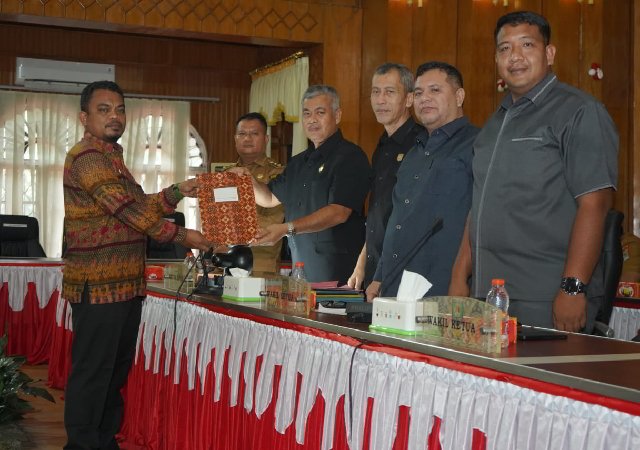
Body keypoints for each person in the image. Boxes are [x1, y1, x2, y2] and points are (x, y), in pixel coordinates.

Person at [62, 80, 211, 449]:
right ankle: (82, 444)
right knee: (94, 374)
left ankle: (103, 441)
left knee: (113, 373)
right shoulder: (88, 157)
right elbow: (127, 210)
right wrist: (183, 236)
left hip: (125, 285)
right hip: (98, 287)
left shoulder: (113, 158)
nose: (114, 116)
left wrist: (177, 191)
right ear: (84, 117)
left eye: (120, 109)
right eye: (103, 109)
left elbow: (139, 206)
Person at [449, 11, 618, 332]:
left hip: (546, 296)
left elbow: (595, 204)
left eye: (527, 45)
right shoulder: (493, 124)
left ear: (549, 53)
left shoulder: (579, 111)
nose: (515, 56)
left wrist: (573, 288)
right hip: (489, 296)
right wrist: (459, 277)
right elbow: (479, 206)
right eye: (505, 48)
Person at [229, 85, 371, 284]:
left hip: (337, 273)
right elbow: (269, 197)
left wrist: (287, 228)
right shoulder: (298, 162)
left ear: (337, 115)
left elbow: (339, 212)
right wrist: (247, 181)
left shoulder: (350, 157)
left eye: (320, 112)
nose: (312, 119)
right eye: (306, 113)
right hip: (301, 272)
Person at [366, 62, 478, 301]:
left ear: (459, 96)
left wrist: (460, 278)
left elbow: (480, 220)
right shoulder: (414, 153)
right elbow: (397, 219)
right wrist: (380, 274)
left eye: (435, 90)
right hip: (396, 284)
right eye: (418, 93)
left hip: (445, 286)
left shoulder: (477, 145)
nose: (424, 98)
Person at [346, 63, 423, 291]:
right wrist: (362, 262)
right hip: (375, 266)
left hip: (403, 271)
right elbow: (378, 213)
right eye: (375, 92)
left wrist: (384, 272)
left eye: (390, 92)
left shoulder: (420, 144)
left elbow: (411, 219)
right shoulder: (382, 146)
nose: (380, 100)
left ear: (409, 99)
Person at [228, 112, 284, 274]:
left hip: (260, 263)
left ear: (266, 139)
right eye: (242, 134)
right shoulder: (225, 175)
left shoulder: (279, 174)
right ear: (235, 139)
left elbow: (272, 219)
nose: (247, 138)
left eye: (254, 133)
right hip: (226, 260)